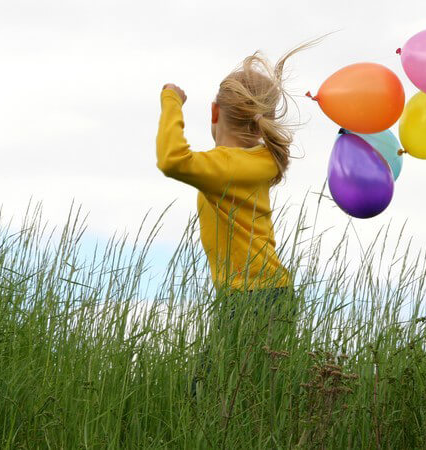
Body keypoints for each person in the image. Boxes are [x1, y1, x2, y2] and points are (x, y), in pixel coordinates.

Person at [156, 43, 314, 398]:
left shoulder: (224, 167)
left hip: (251, 296)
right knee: (249, 393)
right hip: (268, 293)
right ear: (263, 124)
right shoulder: (257, 161)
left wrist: (171, 101)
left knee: (206, 393)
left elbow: (171, 159)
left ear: (214, 112)